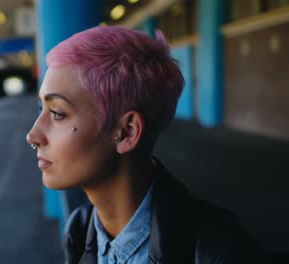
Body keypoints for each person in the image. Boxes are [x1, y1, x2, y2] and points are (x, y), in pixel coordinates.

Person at [26, 26, 268, 264]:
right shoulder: (79, 229)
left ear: (127, 131)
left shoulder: (219, 251)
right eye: (41, 109)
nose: (32, 135)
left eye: (57, 113)